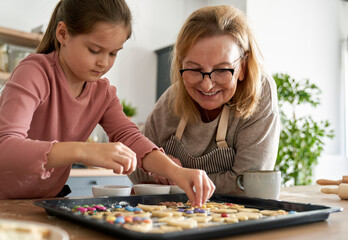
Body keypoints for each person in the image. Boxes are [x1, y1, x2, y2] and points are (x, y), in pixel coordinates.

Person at [0, 0, 215, 206]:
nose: (104, 62)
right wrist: (83, 151)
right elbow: (5, 146)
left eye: (113, 53)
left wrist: (177, 172)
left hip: (44, 201)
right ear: (63, 34)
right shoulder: (35, 72)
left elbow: (129, 137)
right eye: (95, 50)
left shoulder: (103, 92)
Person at [129, 5, 280, 195]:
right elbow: (134, 167)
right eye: (194, 69)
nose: (207, 85)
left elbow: (248, 184)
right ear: (180, 65)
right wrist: (161, 167)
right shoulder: (172, 98)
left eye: (222, 70)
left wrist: (176, 176)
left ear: (243, 65)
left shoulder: (259, 92)